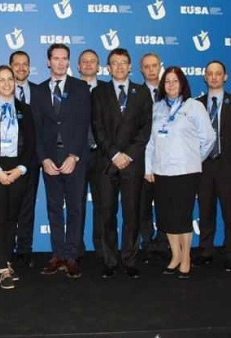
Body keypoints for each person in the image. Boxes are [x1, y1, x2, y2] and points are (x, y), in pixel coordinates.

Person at [144, 66, 216, 279]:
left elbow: (209, 138)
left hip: (186, 172)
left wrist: (194, 158)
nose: (171, 85)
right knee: (167, 217)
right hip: (161, 171)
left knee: (182, 217)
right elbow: (150, 142)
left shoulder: (194, 107)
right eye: (167, 81)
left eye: (175, 81)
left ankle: (186, 259)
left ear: (182, 84)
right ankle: (175, 256)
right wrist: (148, 168)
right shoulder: (156, 108)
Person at [30, 43, 90, 279]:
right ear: (48, 62)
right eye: (56, 58)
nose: (60, 62)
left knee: (75, 209)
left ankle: (72, 256)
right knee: (54, 209)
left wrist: (74, 155)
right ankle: (58, 254)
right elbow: (36, 128)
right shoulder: (38, 91)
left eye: (64, 58)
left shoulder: (81, 87)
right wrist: (43, 158)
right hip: (50, 161)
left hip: (74, 159)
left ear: (69, 62)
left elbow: (84, 125)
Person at [92, 48, 152, 279]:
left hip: (132, 164)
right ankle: (110, 260)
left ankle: (129, 259)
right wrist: (114, 154)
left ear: (130, 66)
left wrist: (129, 155)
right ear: (108, 68)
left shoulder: (142, 92)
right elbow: (97, 127)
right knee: (107, 213)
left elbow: (146, 128)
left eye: (123, 62)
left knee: (132, 214)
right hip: (107, 163)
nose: (119, 67)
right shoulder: (99, 92)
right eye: (114, 63)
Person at [0, 65, 35, 289]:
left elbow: (31, 143)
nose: (7, 83)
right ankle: (2, 267)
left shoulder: (25, 109)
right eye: (1, 80)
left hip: (18, 169)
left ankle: (7, 260)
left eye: (10, 79)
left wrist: (21, 168)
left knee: (12, 218)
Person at [194, 60, 231, 272]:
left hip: (228, 166)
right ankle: (206, 251)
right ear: (205, 77)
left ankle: (230, 253)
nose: (214, 77)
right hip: (204, 166)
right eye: (210, 73)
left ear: (225, 77)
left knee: (230, 212)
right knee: (206, 212)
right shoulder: (196, 104)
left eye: (218, 73)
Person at [8, 50, 39, 268]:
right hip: (7, 160)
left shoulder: (40, 91)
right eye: (16, 64)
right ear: (10, 67)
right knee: (8, 207)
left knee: (28, 206)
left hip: (33, 158)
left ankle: (24, 249)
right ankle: (7, 248)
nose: (21, 68)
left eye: (25, 64)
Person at [138, 52, 169, 262]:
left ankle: (163, 243)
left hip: (167, 160)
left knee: (165, 204)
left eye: (154, 65)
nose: (151, 69)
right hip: (141, 160)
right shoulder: (135, 93)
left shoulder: (172, 92)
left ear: (160, 66)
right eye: (147, 66)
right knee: (143, 206)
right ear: (141, 69)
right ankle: (148, 244)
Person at [77, 49, 107, 261]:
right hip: (77, 156)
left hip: (102, 155)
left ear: (99, 66)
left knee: (103, 205)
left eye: (92, 61)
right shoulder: (70, 88)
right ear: (78, 66)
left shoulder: (107, 89)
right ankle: (76, 250)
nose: (88, 64)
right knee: (76, 205)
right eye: (84, 61)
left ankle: (102, 249)